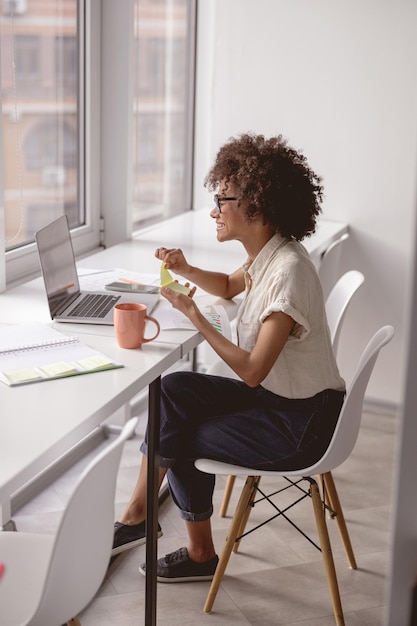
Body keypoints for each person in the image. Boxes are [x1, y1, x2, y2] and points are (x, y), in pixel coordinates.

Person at [112, 132, 346, 583]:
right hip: (285, 402)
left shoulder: (288, 274)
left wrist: (194, 314)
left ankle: (192, 550)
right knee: (173, 390)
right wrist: (186, 270)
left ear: (255, 206)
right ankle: (138, 515)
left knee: (179, 433)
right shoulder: (271, 254)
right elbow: (229, 285)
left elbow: (254, 371)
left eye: (223, 199)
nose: (215, 210)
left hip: (301, 425)